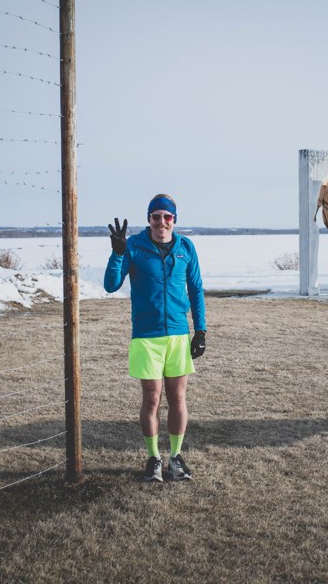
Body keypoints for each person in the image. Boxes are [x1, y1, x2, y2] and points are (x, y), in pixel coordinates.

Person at [104, 194, 207, 482]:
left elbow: (196, 289)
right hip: (146, 337)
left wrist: (200, 330)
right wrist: (118, 253)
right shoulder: (135, 246)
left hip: (177, 334)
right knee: (151, 400)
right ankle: (153, 459)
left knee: (178, 398)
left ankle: (175, 456)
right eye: (155, 216)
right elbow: (111, 285)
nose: (161, 222)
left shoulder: (186, 247)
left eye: (167, 217)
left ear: (174, 219)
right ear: (148, 219)